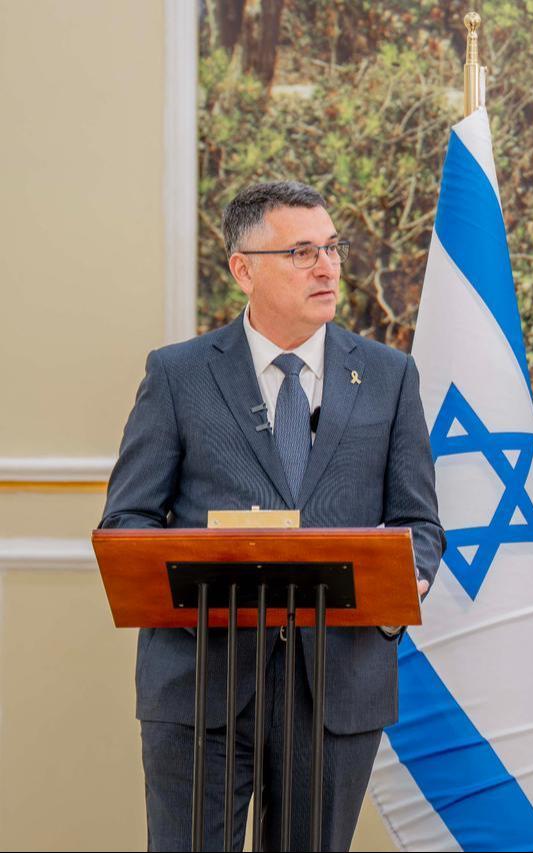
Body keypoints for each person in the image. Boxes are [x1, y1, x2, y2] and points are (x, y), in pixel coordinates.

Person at [100, 181, 444, 851]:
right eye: (301, 251)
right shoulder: (178, 375)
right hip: (200, 686)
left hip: (334, 684)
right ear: (243, 269)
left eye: (332, 247)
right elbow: (128, 521)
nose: (328, 266)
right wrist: (202, 558)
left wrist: (409, 579)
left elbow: (421, 524)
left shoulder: (388, 375)